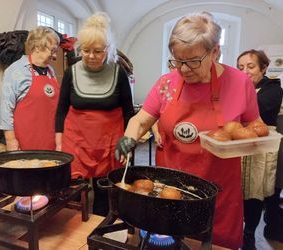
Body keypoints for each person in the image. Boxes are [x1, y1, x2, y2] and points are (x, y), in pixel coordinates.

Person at [115, 12, 260, 249]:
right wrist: (128, 138)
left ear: (215, 52)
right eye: (177, 60)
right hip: (170, 191)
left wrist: (241, 142)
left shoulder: (240, 83)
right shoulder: (166, 83)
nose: (183, 69)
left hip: (218, 195)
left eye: (192, 61)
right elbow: (140, 120)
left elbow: (256, 127)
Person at [55, 12, 134, 217]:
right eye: (86, 50)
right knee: (76, 190)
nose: (91, 56)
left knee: (104, 189)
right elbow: (61, 110)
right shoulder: (71, 72)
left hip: (109, 142)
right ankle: (76, 229)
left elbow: (128, 112)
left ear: (108, 49)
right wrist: (58, 144)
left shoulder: (119, 73)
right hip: (77, 141)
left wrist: (128, 144)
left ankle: (101, 224)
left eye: (97, 51)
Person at [237, 49, 283, 249]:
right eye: (240, 68)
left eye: (250, 66)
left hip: (259, 150)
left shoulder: (272, 89)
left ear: (263, 68)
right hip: (237, 147)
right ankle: (233, 231)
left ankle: (249, 236)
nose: (245, 71)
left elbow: (255, 109)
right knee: (236, 193)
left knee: (253, 195)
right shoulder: (237, 88)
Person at [0, 26, 60, 151]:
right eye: (52, 50)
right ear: (37, 47)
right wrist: (10, 139)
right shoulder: (16, 70)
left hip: (50, 140)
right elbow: (6, 109)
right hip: (26, 141)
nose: (55, 56)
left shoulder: (51, 71)